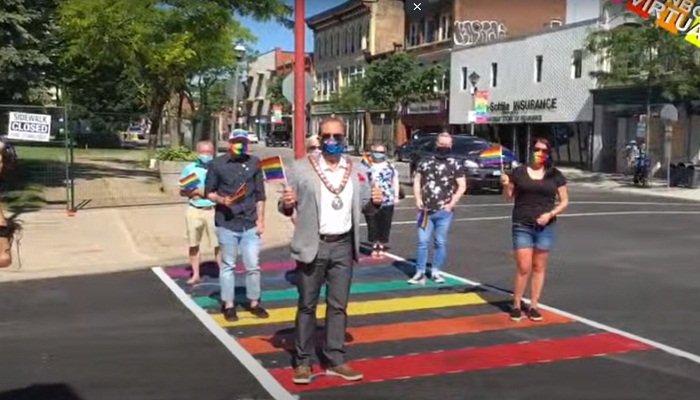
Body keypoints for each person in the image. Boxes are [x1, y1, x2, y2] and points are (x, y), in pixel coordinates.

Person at [279, 116, 382, 385]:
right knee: (307, 306)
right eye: (327, 137)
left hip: (343, 246)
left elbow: (365, 206)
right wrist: (287, 204)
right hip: (314, 243)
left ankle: (335, 359)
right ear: (319, 139)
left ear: (345, 138)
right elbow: (286, 204)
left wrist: (375, 202)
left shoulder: (356, 167)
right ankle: (303, 362)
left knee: (338, 306)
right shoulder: (301, 168)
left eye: (337, 136)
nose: (332, 141)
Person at [500, 137, 569, 322]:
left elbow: (564, 201)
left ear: (548, 154)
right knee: (524, 267)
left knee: (539, 266)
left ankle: (534, 305)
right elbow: (508, 197)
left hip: (545, 226)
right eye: (536, 149)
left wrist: (550, 214)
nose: (539, 153)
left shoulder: (554, 174)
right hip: (522, 224)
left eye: (544, 151)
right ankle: (516, 304)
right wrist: (506, 184)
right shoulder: (519, 172)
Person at [205, 130, 268, 322]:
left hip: (249, 222)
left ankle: (254, 302)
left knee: (253, 266)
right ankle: (229, 304)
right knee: (228, 266)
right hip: (227, 222)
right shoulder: (217, 164)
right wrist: (222, 200)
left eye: (244, 142)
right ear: (230, 142)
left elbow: (260, 195)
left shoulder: (254, 162)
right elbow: (208, 192)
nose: (240, 145)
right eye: (237, 142)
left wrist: (261, 219)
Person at [410, 132, 466, 285]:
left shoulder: (455, 163)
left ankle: (436, 271)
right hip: (425, 211)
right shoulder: (425, 161)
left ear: (451, 146)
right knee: (422, 242)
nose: (444, 148)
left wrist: (451, 204)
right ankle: (419, 272)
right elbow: (417, 180)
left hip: (444, 212)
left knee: (440, 242)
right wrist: (418, 199)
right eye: (441, 145)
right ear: (436, 144)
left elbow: (462, 185)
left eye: (447, 146)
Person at [179, 141, 221, 284]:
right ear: (197, 153)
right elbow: (182, 191)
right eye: (203, 152)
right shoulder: (190, 169)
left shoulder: (219, 167)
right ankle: (195, 274)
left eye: (209, 152)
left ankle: (223, 273)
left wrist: (203, 193)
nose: (206, 155)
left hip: (214, 210)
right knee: (193, 243)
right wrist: (195, 191)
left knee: (218, 244)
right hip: (195, 210)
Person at [364, 143, 400, 257]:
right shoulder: (366, 166)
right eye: (376, 152)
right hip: (371, 199)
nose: (378, 155)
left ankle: (382, 244)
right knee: (372, 223)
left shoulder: (390, 167)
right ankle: (374, 244)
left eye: (381, 152)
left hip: (387, 199)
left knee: (385, 223)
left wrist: (396, 196)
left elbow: (395, 181)